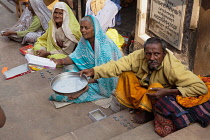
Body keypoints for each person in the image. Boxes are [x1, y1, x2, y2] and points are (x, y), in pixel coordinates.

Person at [80, 37, 208, 124]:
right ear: (144, 52)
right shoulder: (139, 55)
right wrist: (94, 71)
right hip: (144, 88)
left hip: (159, 93)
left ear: (164, 54)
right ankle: (135, 106)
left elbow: (200, 87)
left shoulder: (173, 68)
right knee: (126, 74)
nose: (152, 58)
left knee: (155, 85)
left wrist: (167, 92)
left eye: (156, 54)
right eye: (148, 54)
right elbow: (117, 65)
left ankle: (147, 113)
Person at [49, 15, 122, 103]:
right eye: (81, 27)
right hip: (88, 72)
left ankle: (84, 88)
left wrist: (86, 82)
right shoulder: (84, 40)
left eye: (86, 28)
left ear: (95, 29)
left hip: (104, 76)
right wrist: (60, 61)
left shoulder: (104, 46)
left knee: (58, 96)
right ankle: (82, 86)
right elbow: (75, 57)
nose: (83, 30)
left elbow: (107, 72)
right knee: (69, 67)